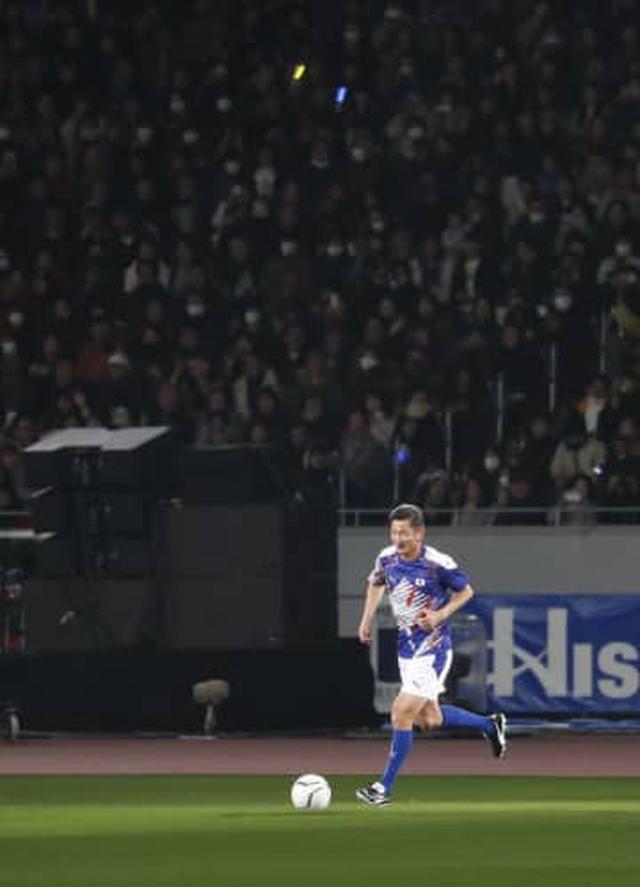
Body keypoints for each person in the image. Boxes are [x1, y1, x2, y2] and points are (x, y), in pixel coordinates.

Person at [355, 503, 507, 807]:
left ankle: (383, 788)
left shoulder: (437, 563)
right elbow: (375, 583)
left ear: (419, 533)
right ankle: (490, 725)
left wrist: (440, 614)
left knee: (401, 712)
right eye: (394, 532)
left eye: (404, 533)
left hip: (433, 648)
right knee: (430, 719)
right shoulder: (386, 558)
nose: (398, 539)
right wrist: (366, 619)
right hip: (406, 648)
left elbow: (466, 591)